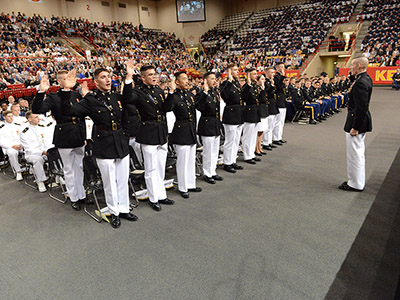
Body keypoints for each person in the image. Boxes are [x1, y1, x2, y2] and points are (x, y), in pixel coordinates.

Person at [61, 68, 138, 228]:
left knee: (123, 179)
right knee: (109, 181)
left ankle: (124, 209)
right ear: (96, 82)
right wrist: (67, 89)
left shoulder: (117, 97)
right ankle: (114, 212)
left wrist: (129, 77)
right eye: (103, 77)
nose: (108, 79)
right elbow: (69, 111)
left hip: (120, 142)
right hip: (104, 144)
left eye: (109, 76)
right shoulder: (91, 101)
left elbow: (127, 111)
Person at [32, 71, 87, 211]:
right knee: (68, 169)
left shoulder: (76, 95)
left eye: (71, 78)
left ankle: (82, 194)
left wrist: (84, 136)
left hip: (79, 133)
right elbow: (37, 109)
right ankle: (74, 197)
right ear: (60, 82)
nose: (70, 80)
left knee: (79, 167)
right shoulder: (53, 96)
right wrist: (41, 91)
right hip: (64, 134)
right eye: (66, 78)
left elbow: (81, 117)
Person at [125, 64, 174, 211]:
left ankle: (161, 195)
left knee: (160, 167)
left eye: (155, 74)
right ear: (143, 77)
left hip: (160, 131)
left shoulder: (159, 90)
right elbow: (127, 99)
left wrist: (171, 93)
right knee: (151, 168)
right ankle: (153, 198)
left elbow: (167, 109)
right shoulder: (138, 92)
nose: (154, 77)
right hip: (147, 132)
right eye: (151, 75)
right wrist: (128, 78)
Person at [339, 57, 373, 192]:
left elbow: (361, 107)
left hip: (357, 121)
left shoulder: (360, 83)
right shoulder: (364, 78)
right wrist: (352, 78)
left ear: (359, 65)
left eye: (352, 66)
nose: (350, 68)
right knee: (357, 152)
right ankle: (357, 181)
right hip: (360, 119)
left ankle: (355, 183)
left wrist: (356, 126)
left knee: (354, 154)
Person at [166, 71, 202, 198]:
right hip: (181, 130)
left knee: (191, 158)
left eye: (187, 79)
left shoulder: (188, 94)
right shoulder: (174, 96)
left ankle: (191, 183)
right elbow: (168, 107)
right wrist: (170, 92)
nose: (187, 81)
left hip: (191, 129)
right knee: (183, 160)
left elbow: (195, 109)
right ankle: (182, 186)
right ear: (177, 82)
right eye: (184, 79)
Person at [196, 72, 224, 184]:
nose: (214, 80)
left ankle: (213, 171)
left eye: (215, 79)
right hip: (207, 124)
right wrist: (205, 92)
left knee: (215, 151)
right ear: (206, 80)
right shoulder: (201, 93)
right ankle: (207, 173)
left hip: (215, 123)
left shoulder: (214, 92)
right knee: (208, 151)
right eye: (212, 79)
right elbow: (199, 107)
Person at [220, 63, 244, 173]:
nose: (237, 72)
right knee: (229, 140)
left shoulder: (236, 83)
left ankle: (233, 159)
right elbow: (225, 96)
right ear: (229, 72)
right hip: (230, 113)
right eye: (234, 70)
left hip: (238, 113)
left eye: (237, 70)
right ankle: (227, 162)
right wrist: (228, 81)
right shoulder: (226, 83)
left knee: (236, 140)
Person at [19, 111, 50, 192]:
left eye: (38, 116)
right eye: (36, 117)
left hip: (44, 151)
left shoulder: (42, 127)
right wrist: (42, 152)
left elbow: (47, 141)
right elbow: (29, 149)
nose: (38, 118)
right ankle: (41, 181)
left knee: (57, 154)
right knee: (37, 160)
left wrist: (48, 150)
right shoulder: (24, 132)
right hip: (31, 154)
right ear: (29, 119)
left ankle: (58, 177)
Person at [241, 68, 261, 164]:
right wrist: (248, 85)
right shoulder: (246, 86)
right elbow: (244, 97)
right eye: (254, 74)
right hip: (248, 112)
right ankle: (247, 155)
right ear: (248, 75)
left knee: (253, 135)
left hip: (255, 112)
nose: (256, 75)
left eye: (256, 74)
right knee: (248, 136)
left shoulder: (254, 86)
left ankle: (251, 153)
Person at [0, 111, 24, 181]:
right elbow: (1, 142)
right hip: (9, 146)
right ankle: (18, 171)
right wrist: (12, 146)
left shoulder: (18, 125)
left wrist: (21, 144)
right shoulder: (1, 128)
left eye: (12, 116)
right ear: (4, 117)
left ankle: (31, 168)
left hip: (20, 145)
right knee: (12, 152)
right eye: (9, 116)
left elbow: (23, 137)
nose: (11, 118)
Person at [262, 67, 279, 151]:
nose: (273, 74)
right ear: (267, 73)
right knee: (268, 125)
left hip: (273, 103)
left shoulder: (270, 81)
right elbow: (266, 91)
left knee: (272, 125)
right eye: (271, 72)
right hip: (268, 103)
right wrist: (272, 85)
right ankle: (265, 142)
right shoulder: (265, 81)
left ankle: (269, 141)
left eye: (273, 72)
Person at [272, 62, 287, 145]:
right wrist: (282, 76)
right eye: (281, 67)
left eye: (283, 67)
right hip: (278, 100)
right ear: (277, 68)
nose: (282, 68)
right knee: (278, 121)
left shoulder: (281, 76)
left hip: (282, 99)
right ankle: (275, 138)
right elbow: (277, 85)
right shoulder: (276, 76)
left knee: (281, 121)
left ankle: (279, 137)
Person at [255, 74, 268, 155]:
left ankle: (260, 147)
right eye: (262, 79)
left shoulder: (261, 88)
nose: (263, 81)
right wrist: (263, 90)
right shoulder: (257, 89)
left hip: (264, 110)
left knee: (262, 131)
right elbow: (261, 99)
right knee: (258, 131)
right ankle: (256, 148)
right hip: (259, 110)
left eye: (264, 79)